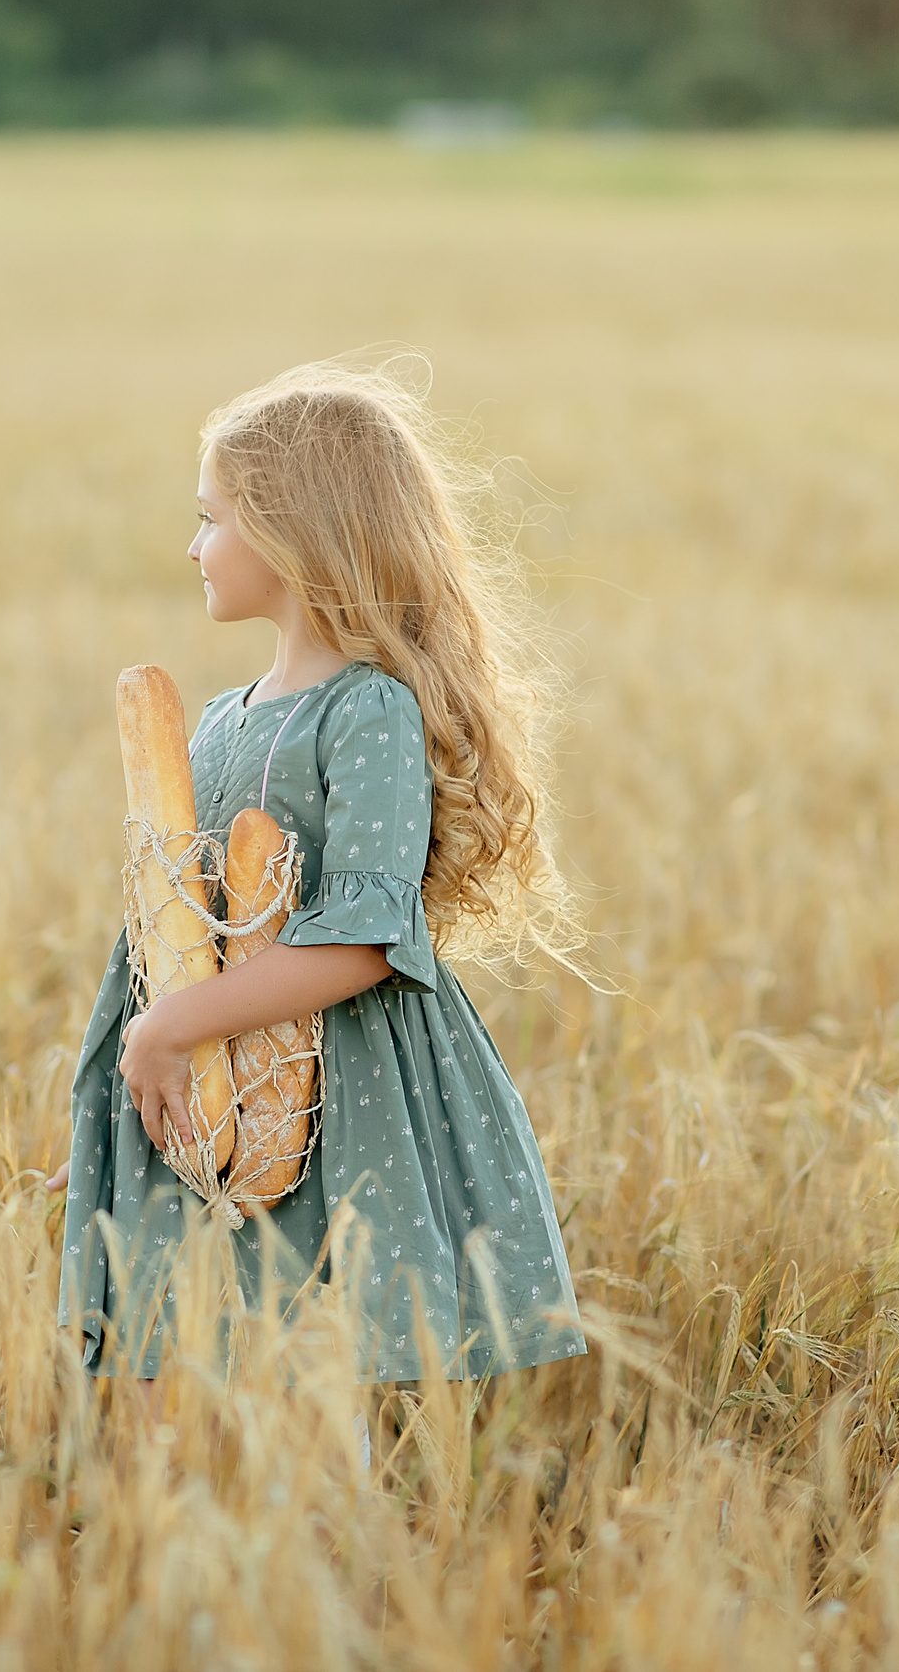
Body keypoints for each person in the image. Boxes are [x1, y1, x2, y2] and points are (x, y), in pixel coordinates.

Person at [47, 357, 588, 1388]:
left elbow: (361, 940)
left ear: (292, 535)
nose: (191, 546)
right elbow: (181, 944)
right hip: (209, 1086)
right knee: (194, 1375)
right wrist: (126, 1115)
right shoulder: (212, 722)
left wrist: (167, 1031)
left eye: (210, 518)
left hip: (344, 1090)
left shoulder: (366, 712)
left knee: (315, 1364)